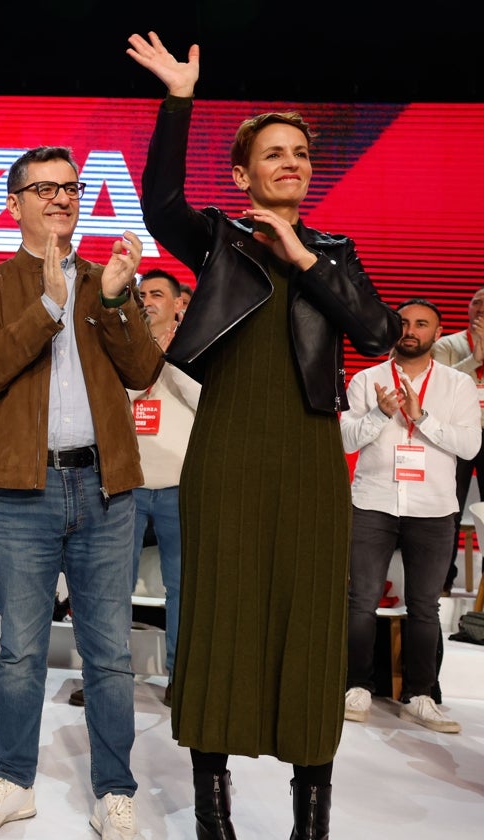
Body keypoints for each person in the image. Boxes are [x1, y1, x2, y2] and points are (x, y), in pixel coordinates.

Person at [128, 30, 402, 838]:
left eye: (300, 154)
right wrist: (179, 99)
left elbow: (380, 333)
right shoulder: (220, 243)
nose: (290, 162)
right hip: (229, 451)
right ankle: (213, 812)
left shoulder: (336, 253)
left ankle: (308, 817)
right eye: (272, 154)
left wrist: (307, 261)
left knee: (310, 621)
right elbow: (159, 203)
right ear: (243, 174)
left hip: (311, 459)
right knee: (220, 614)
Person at [0, 140, 160, 838]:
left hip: (105, 490)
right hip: (21, 490)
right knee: (20, 650)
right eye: (43, 188)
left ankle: (114, 789)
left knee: (106, 651)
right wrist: (48, 304)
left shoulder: (108, 280)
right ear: (14, 206)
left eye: (69, 187)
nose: (59, 197)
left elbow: (142, 370)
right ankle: (14, 780)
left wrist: (111, 301)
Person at [341, 299, 479, 734]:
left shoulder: (456, 385)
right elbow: (345, 438)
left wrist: (423, 418)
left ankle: (420, 695)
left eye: (422, 324)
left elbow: (470, 446)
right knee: (360, 602)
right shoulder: (367, 379)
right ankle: (355, 686)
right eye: (403, 323)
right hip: (373, 501)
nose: (411, 330)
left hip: (433, 507)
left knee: (424, 606)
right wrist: (381, 414)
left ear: (438, 335)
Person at [127, 267, 198, 708]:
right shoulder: (122, 344)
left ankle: (181, 678)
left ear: (178, 304)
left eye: (158, 294)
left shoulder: (198, 347)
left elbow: (207, 401)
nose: (148, 300)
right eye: (142, 294)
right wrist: (145, 359)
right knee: (108, 588)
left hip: (179, 486)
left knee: (182, 588)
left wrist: (173, 360)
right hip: (126, 485)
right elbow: (111, 400)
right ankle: (105, 677)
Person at [431, 285, 484, 593]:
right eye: (475, 303)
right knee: (449, 508)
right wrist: (475, 359)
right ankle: (443, 581)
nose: (480, 308)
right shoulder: (447, 345)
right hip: (458, 432)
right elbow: (439, 386)